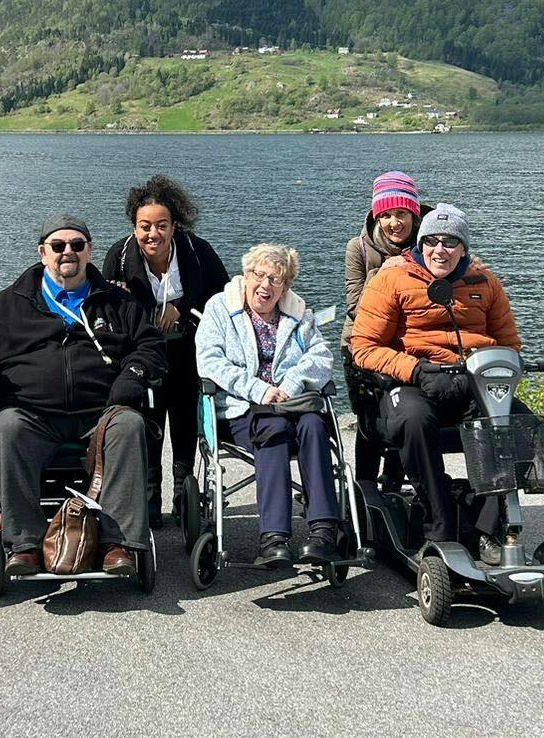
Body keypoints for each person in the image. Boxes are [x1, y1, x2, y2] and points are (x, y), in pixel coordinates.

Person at [0, 215, 166, 578]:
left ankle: (117, 543)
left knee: (130, 424)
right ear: (43, 253)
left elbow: (151, 346)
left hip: (101, 415)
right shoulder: (11, 302)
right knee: (7, 427)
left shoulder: (117, 302)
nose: (67, 252)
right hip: (33, 414)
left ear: (89, 252)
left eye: (76, 245)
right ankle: (24, 544)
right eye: (58, 246)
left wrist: (133, 375)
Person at [349, 203, 523, 552]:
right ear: (420, 243)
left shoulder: (485, 282)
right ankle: (438, 522)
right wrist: (414, 369)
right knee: (414, 420)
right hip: (414, 381)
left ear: (463, 248)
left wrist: (489, 373)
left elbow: (509, 345)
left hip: (471, 382)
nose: (439, 250)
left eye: (449, 242)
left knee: (518, 422)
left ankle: (488, 526)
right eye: (431, 241)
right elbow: (364, 347)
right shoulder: (392, 278)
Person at [194, 243, 341, 568]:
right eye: (258, 275)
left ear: (286, 285)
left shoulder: (299, 314)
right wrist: (259, 390)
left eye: (276, 279)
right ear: (245, 275)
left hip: (294, 406)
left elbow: (322, 358)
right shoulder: (221, 308)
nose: (265, 286)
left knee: (315, 426)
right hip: (243, 409)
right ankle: (273, 537)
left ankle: (323, 531)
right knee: (272, 428)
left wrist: (289, 386)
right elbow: (209, 362)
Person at [102, 174, 229, 528]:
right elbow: (109, 312)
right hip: (143, 355)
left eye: (161, 225)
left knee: (186, 424)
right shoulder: (119, 255)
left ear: (175, 226)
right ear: (134, 226)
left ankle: (184, 494)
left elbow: (224, 300)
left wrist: (185, 312)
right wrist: (144, 318)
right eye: (144, 226)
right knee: (148, 425)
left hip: (188, 351)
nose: (152, 234)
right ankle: (150, 497)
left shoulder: (198, 252)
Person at [342, 170, 429, 481]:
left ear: (414, 214)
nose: (395, 222)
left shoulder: (432, 246)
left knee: (403, 416)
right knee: (369, 420)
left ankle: (394, 482)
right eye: (387, 214)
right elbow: (354, 305)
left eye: (402, 213)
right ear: (377, 217)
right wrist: (386, 275)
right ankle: (365, 490)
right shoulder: (359, 249)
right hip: (363, 343)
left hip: (411, 345)